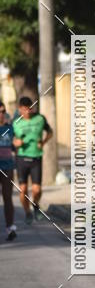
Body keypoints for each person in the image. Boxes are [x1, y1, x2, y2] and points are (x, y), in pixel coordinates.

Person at [12, 96, 53, 224]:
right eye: (24, 109)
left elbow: (50, 132)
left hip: (36, 158)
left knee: (37, 190)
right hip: (22, 159)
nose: (27, 112)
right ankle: (28, 213)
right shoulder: (15, 122)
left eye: (29, 109)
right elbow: (11, 140)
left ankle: (35, 206)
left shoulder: (40, 119)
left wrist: (44, 142)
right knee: (23, 189)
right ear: (19, 109)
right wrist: (16, 142)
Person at [0, 102, 17, 241]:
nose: (1, 114)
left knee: (7, 197)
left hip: (7, 166)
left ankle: (10, 228)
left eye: (3, 111)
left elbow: (15, 144)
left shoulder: (10, 128)